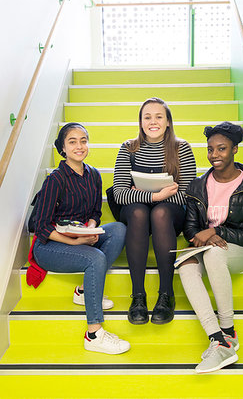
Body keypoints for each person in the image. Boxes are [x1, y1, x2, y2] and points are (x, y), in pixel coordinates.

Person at [32, 122, 130, 355]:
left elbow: (95, 213)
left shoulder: (94, 175)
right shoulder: (55, 179)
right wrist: (76, 242)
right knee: (95, 258)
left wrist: (92, 229)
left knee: (118, 228)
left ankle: (85, 291)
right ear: (63, 148)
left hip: (81, 236)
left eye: (83, 140)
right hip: (50, 246)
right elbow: (41, 226)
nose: (79, 146)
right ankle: (94, 334)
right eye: (72, 141)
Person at [178, 121, 243, 373]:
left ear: (235, 149)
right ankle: (217, 339)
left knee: (215, 254)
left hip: (240, 250)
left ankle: (228, 329)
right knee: (185, 263)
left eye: (221, 149)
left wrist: (217, 231)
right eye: (210, 149)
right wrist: (202, 237)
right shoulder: (197, 185)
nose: (214, 155)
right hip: (206, 247)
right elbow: (191, 229)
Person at [113, 97, 197, 325]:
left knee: (159, 213)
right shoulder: (128, 148)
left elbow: (189, 192)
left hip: (170, 215)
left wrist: (157, 199)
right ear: (140, 122)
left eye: (159, 116)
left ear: (168, 121)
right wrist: (156, 196)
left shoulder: (182, 148)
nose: (153, 121)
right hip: (135, 213)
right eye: (147, 117)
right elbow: (119, 193)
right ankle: (138, 296)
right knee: (140, 212)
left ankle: (166, 294)